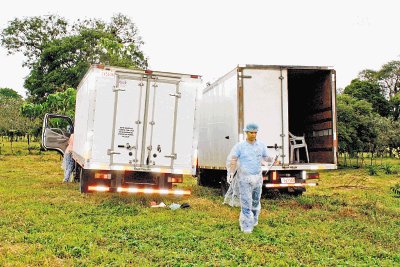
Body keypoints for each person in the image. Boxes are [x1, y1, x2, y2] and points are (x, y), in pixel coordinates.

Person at [228, 122, 269, 233]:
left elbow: (266, 157)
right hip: (244, 178)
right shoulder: (240, 146)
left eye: (255, 133)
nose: (253, 135)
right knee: (246, 201)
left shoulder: (261, 145)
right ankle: (246, 226)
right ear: (246, 132)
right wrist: (231, 173)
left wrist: (271, 159)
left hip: (257, 178)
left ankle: (254, 220)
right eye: (251, 132)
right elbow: (233, 160)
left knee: (256, 200)